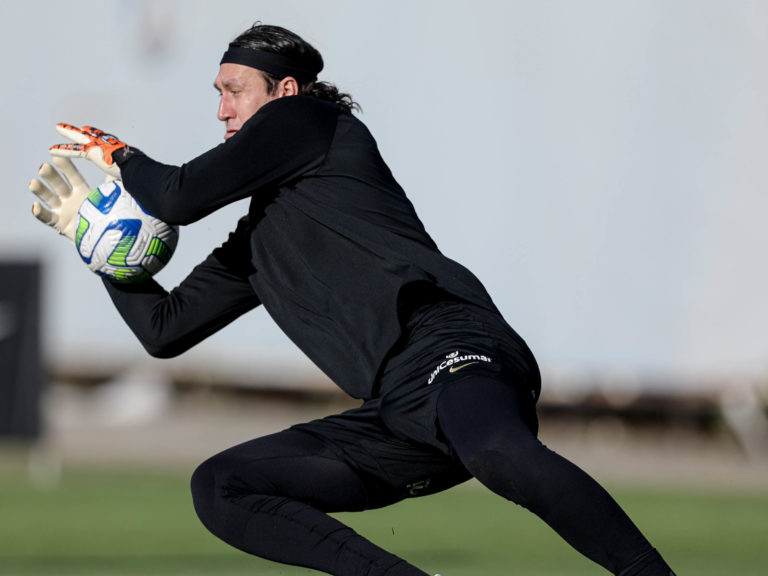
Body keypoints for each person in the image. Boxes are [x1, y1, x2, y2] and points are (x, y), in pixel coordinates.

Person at [30, 23, 676, 576]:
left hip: (451, 341)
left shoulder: (315, 123)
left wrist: (120, 156)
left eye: (233, 91)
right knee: (221, 484)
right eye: (217, 94)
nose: (222, 110)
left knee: (496, 451)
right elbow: (164, 331)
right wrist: (102, 254)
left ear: (283, 91)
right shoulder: (257, 244)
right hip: (395, 409)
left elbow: (175, 198)